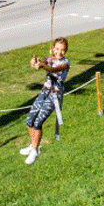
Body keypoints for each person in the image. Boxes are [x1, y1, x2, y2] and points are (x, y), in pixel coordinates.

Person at [20, 37, 70, 165]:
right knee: (29, 120)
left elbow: (53, 70)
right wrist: (35, 62)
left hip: (55, 95)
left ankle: (35, 151)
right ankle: (32, 145)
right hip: (44, 92)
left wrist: (43, 66)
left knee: (38, 122)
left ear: (66, 51)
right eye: (57, 49)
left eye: (63, 50)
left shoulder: (66, 63)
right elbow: (40, 62)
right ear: (53, 48)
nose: (59, 52)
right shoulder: (49, 59)